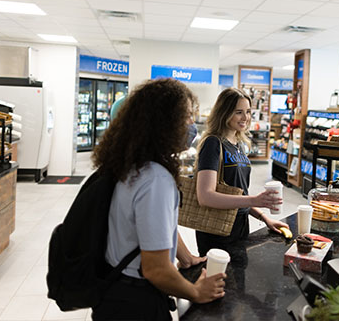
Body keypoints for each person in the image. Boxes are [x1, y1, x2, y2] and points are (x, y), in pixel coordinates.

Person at [91, 78, 225, 320]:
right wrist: (196, 292)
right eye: (186, 116)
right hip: (135, 302)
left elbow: (152, 228)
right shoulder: (156, 179)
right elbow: (156, 269)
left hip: (114, 289)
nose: (192, 124)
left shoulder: (132, 165)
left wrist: (186, 258)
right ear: (163, 123)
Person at [195, 87, 288, 257]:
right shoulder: (213, 144)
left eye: (248, 112)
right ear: (224, 112)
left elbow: (238, 192)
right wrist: (254, 200)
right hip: (217, 230)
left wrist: (264, 218)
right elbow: (205, 196)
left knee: (238, 279)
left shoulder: (239, 144)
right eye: (239, 112)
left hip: (240, 226)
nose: (245, 117)